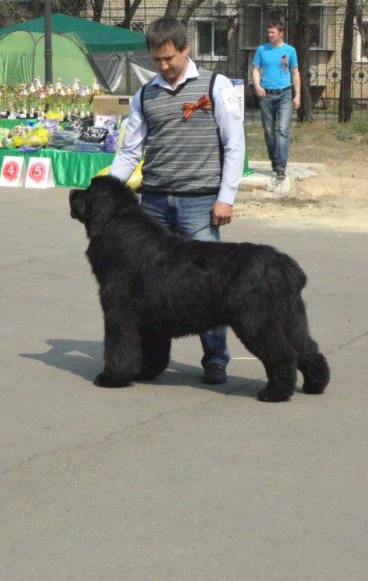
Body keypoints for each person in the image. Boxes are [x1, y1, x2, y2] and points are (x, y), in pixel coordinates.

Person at [109, 17, 245, 386]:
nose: (164, 66)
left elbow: (234, 145)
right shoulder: (144, 95)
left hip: (200, 202)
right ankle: (152, 360)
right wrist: (105, 189)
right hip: (153, 203)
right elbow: (130, 152)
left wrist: (226, 198)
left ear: (186, 49)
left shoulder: (215, 86)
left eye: (169, 58)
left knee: (208, 285)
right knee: (150, 286)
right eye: (157, 60)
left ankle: (215, 359)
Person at [252, 20, 301, 179]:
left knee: (283, 130)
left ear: (281, 34)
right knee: (269, 131)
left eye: (273, 32)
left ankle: (281, 167)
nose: (270, 35)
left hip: (285, 94)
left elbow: (295, 72)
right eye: (269, 32)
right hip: (266, 95)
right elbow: (255, 69)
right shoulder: (261, 50)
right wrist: (257, 86)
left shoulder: (290, 50)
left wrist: (297, 95)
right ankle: (274, 160)